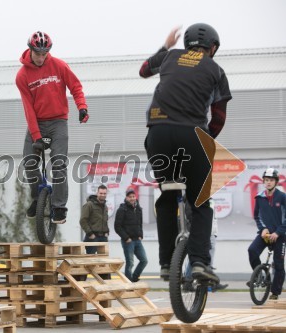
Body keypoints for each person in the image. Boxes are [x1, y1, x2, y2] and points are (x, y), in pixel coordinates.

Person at [140, 24, 232, 283]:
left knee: (168, 197)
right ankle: (200, 262)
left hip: (158, 135)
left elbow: (144, 70)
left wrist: (166, 45)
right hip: (191, 135)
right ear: (212, 48)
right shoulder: (216, 70)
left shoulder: (170, 56)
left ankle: (167, 264)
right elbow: (219, 118)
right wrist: (206, 142)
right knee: (200, 201)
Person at [16, 31, 89, 224]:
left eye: (44, 53)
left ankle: (58, 207)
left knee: (59, 164)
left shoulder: (59, 65)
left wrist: (81, 107)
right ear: (30, 50)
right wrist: (36, 136)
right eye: (37, 53)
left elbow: (76, 87)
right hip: (36, 122)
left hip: (58, 122)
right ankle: (37, 197)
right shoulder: (22, 76)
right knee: (30, 164)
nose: (41, 58)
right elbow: (28, 109)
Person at [247, 168, 286, 300]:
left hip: (280, 236)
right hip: (265, 234)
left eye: (271, 180)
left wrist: (278, 232)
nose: (268, 182)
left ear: (276, 182)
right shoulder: (259, 197)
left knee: (278, 264)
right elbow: (257, 216)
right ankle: (260, 276)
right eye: (266, 180)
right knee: (252, 250)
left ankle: (275, 292)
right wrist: (262, 228)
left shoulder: (282, 197)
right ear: (263, 182)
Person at [114, 189, 148, 282]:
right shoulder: (122, 209)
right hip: (128, 241)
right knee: (130, 263)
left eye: (133, 196)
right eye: (130, 197)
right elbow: (117, 227)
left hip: (137, 240)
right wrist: (126, 238)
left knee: (144, 260)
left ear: (135, 197)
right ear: (126, 198)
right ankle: (128, 282)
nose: (132, 198)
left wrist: (141, 235)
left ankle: (134, 278)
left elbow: (140, 224)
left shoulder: (139, 209)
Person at [80, 185, 109, 254]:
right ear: (97, 193)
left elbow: (105, 220)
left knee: (103, 261)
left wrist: (107, 232)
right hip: (92, 237)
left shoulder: (105, 206)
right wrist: (90, 233)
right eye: (101, 193)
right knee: (91, 261)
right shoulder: (89, 205)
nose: (103, 195)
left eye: (104, 193)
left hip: (103, 237)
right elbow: (83, 220)